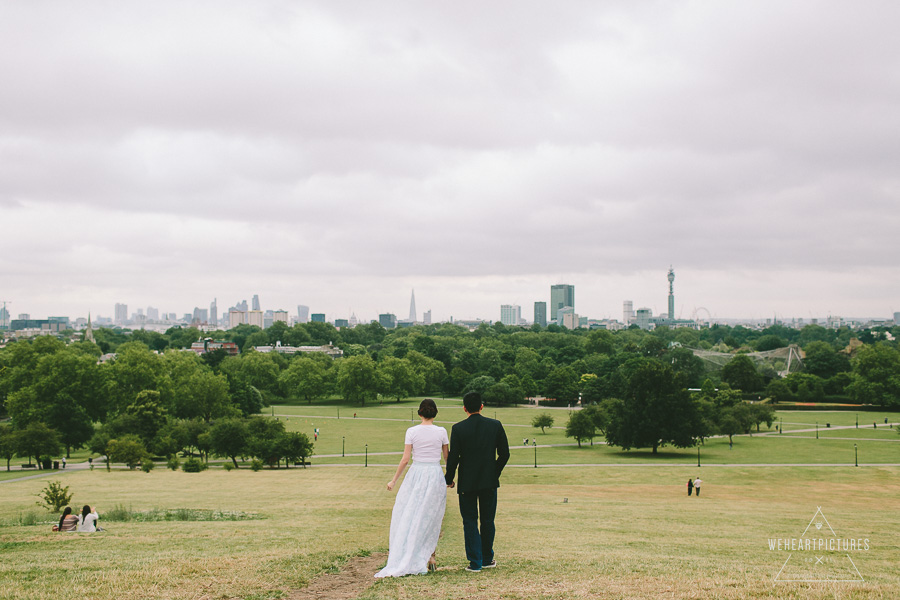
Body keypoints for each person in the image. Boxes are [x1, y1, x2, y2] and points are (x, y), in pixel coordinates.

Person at [375, 399, 449, 578]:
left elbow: (405, 459)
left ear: (419, 413)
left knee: (411, 514)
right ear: (435, 413)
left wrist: (393, 480)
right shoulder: (441, 432)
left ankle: (413, 554)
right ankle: (431, 556)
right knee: (431, 516)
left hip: (416, 474)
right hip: (434, 474)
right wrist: (451, 478)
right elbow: (447, 458)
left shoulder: (412, 431)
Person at [445, 392, 510, 572]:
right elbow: (505, 454)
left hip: (467, 482)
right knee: (488, 520)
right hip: (489, 482)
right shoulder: (495, 425)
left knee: (470, 521)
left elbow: (453, 459)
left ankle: (475, 562)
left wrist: (448, 479)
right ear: (481, 406)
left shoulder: (458, 429)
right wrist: (493, 473)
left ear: (464, 408)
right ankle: (487, 559)